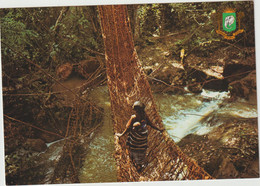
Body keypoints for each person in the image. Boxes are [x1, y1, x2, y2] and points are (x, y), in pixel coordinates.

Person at [116, 101, 164, 172]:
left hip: (135, 141)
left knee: (132, 148)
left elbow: (128, 128)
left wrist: (121, 135)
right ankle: (140, 164)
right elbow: (151, 124)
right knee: (141, 152)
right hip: (143, 140)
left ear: (136, 110)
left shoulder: (133, 117)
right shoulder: (145, 115)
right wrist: (159, 129)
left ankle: (135, 164)